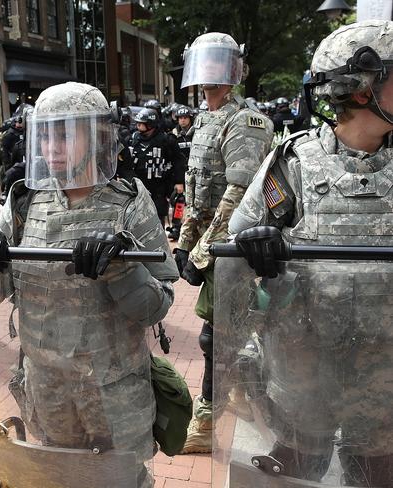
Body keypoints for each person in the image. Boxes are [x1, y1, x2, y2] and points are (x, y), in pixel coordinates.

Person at [0, 81, 179, 488]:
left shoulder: (128, 200)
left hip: (113, 391)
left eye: (65, 133)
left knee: (123, 480)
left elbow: (159, 304)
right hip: (48, 388)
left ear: (96, 138)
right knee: (59, 478)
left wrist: (121, 266)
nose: (52, 147)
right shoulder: (25, 201)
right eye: (45, 134)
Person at [229, 20, 393, 485]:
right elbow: (231, 258)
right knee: (293, 470)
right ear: (363, 90)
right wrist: (257, 245)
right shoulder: (293, 164)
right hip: (304, 374)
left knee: (379, 474)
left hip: (384, 386)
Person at [174, 32, 273, 454]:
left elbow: (237, 197)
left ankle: (208, 418)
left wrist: (202, 251)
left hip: (233, 249)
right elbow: (195, 193)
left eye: (219, 66)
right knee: (227, 332)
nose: (209, 78)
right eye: (204, 66)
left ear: (234, 71)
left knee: (217, 336)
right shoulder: (204, 119)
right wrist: (183, 243)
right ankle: (242, 394)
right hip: (211, 246)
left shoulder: (245, 123)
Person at [130, 107, 179, 228]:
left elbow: (178, 161)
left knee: (158, 215)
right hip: (139, 184)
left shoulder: (166, 140)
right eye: (138, 123)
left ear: (150, 124)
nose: (138, 126)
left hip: (159, 186)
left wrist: (178, 182)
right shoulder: (134, 138)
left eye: (142, 123)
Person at [166, 105, 195, 240]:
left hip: (196, 172)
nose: (183, 120)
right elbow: (173, 159)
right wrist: (177, 180)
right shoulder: (172, 136)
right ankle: (176, 228)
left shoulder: (196, 133)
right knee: (179, 202)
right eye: (180, 118)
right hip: (180, 174)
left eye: (185, 118)